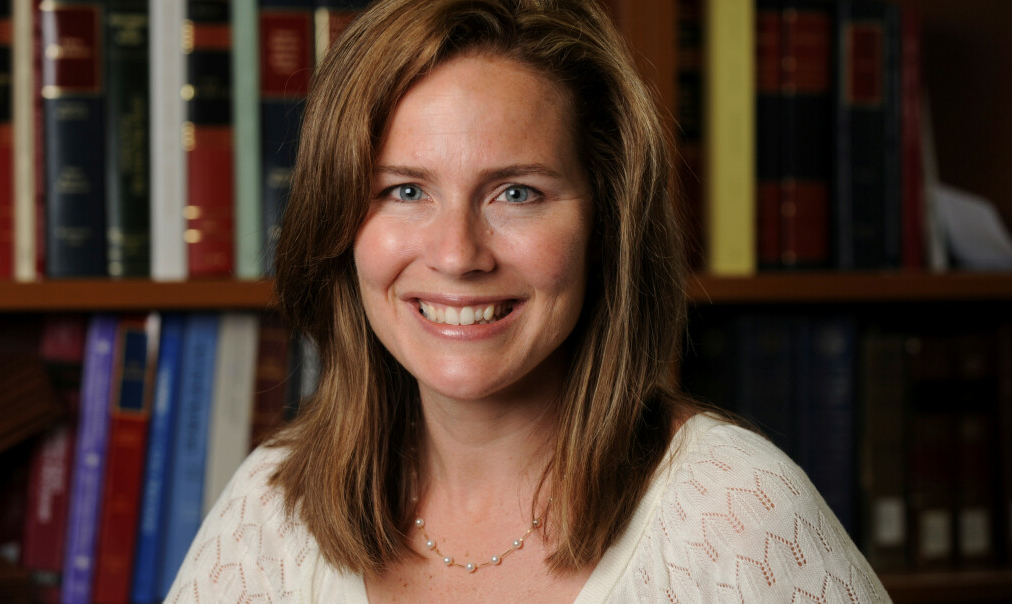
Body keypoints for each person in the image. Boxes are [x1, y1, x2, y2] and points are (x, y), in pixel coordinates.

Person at [167, 0, 892, 601]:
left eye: (517, 192)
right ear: (340, 221)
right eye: (405, 190)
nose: (457, 254)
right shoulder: (270, 508)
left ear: (607, 224)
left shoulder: (738, 517)